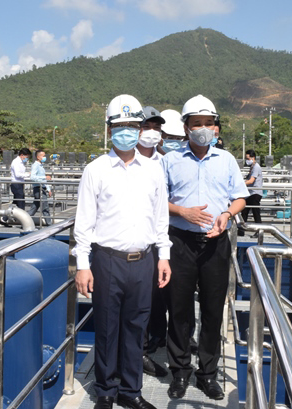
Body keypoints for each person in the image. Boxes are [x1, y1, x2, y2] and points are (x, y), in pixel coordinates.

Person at [73, 94, 172, 409]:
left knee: (135, 327)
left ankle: (131, 392)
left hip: (143, 261)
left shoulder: (153, 170)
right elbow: (84, 223)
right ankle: (105, 390)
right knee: (106, 327)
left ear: (140, 128)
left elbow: (161, 218)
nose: (127, 131)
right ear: (109, 129)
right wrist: (83, 265)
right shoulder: (96, 170)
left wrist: (164, 256)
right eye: (120, 125)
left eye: (132, 125)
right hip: (107, 261)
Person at [162, 95, 248, 401]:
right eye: (196, 123)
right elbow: (158, 200)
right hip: (180, 241)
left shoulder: (226, 160)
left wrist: (226, 214)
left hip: (215, 244)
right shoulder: (170, 160)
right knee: (179, 309)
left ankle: (208, 373)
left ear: (216, 128)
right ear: (186, 128)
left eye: (208, 123)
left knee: (213, 310)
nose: (202, 129)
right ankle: (180, 372)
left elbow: (240, 197)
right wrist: (183, 212)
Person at [137, 106, 169, 378]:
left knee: (158, 295)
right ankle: (140, 352)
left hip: (160, 239)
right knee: (138, 302)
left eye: (157, 127)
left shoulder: (165, 160)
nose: (152, 132)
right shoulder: (126, 159)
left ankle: (159, 337)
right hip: (133, 244)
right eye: (147, 126)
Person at [240, 149, 263, 238]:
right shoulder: (252, 167)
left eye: (248, 158)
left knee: (255, 213)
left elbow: (251, 180)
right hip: (251, 193)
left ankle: (259, 231)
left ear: (253, 158)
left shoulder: (256, 167)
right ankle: (241, 230)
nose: (247, 160)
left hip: (255, 193)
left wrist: (241, 183)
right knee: (244, 211)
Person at [28, 149, 52, 225]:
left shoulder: (41, 166)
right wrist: (44, 177)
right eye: (43, 156)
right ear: (38, 157)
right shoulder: (35, 165)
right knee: (45, 207)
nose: (45, 157)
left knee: (35, 207)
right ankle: (49, 224)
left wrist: (48, 188)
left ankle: (25, 220)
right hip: (38, 189)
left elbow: (43, 179)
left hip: (42, 188)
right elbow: (33, 177)